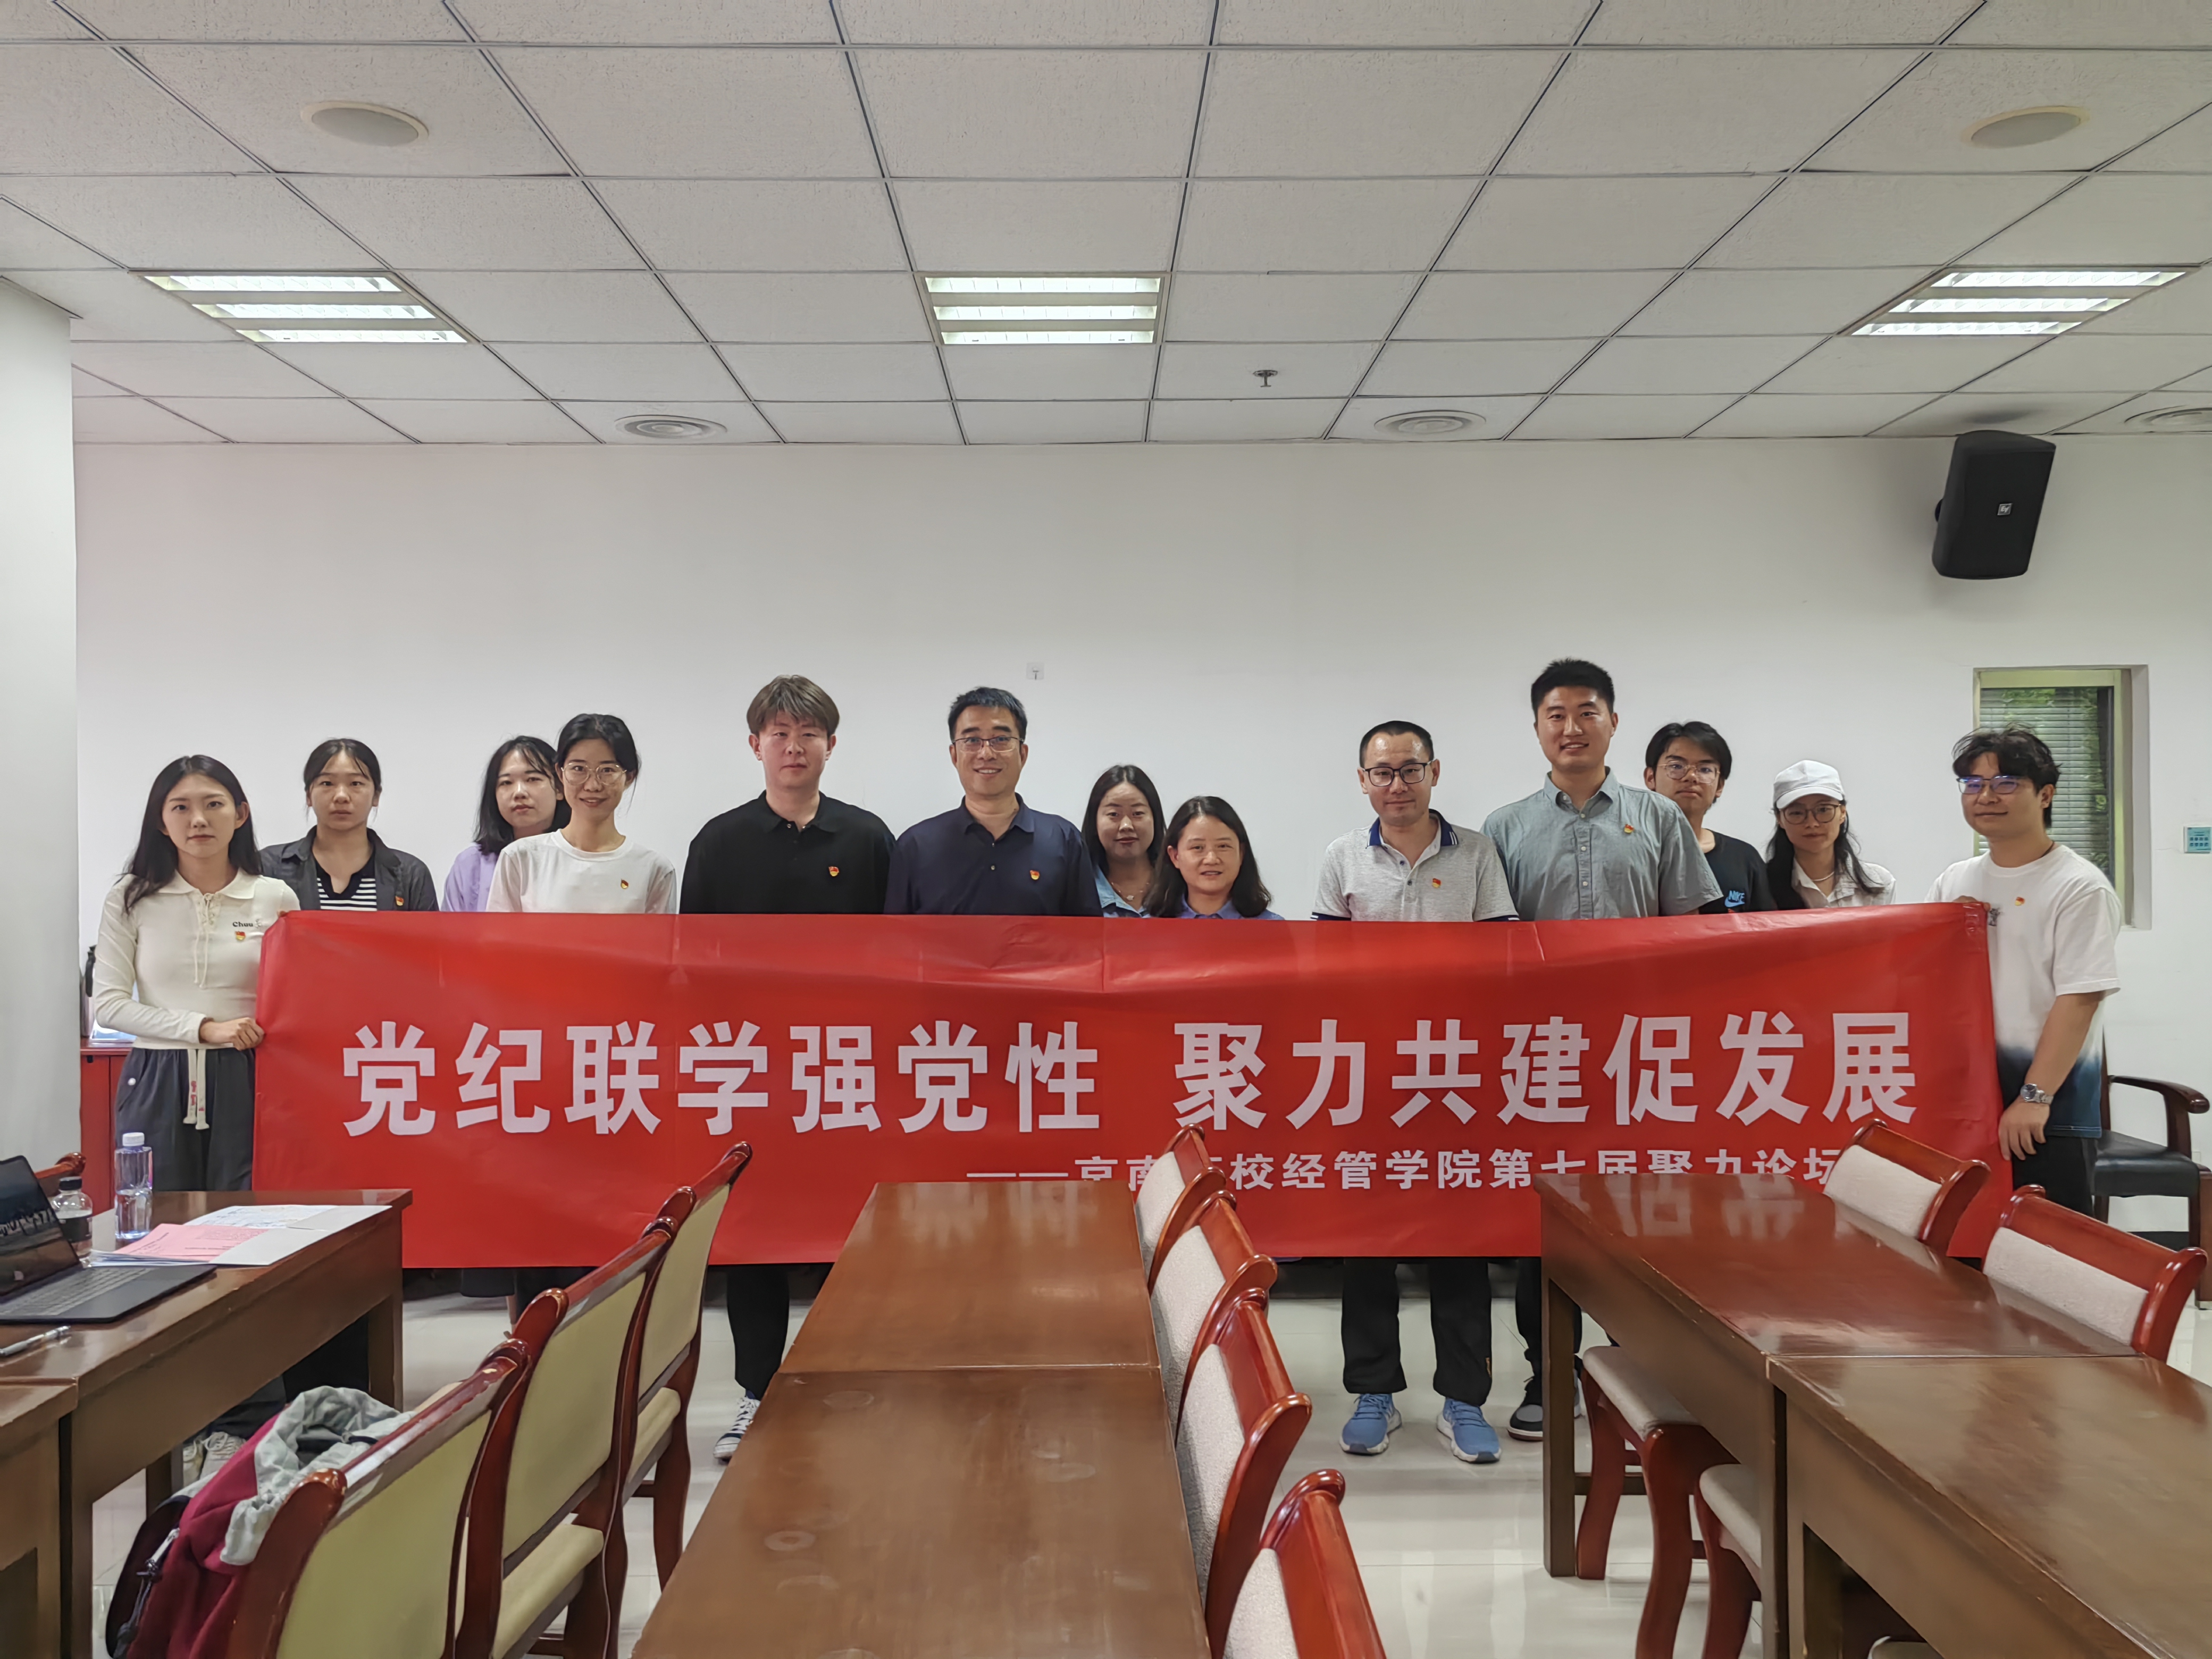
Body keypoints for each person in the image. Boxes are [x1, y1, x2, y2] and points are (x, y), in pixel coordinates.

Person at [1482, 660, 1719, 1444]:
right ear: (1537, 728)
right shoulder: (1505, 828)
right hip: (1542, 1056)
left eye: (1588, 712)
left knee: (1634, 1218)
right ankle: (1547, 1375)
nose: (1572, 727)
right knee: (1543, 1223)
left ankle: (1635, 1371)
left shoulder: (1658, 818)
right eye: (1556, 714)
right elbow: (1494, 951)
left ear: (1613, 723)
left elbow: (1694, 938)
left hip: (1637, 1055)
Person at [679, 675, 893, 1459]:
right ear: (755, 746)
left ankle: (845, 1379)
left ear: (831, 746)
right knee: (756, 1231)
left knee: (849, 1226)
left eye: (808, 735)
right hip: (753, 1070)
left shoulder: (869, 839)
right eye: (779, 734)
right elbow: (692, 961)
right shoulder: (719, 841)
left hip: (847, 1068)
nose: (793, 747)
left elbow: (897, 956)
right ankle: (756, 1393)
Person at [1316, 720, 1514, 1467]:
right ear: (1362, 780)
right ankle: (1374, 1393)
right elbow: (1324, 972)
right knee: (1367, 1245)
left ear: (1434, 773)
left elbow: (1501, 960)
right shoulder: (1342, 857)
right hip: (1368, 1078)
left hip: (1455, 1077)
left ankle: (1464, 1400)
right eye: (1382, 772)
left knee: (1459, 1244)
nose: (1396, 784)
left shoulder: (1478, 854)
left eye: (1410, 769)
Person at [94, 757, 299, 1475]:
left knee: (249, 1246)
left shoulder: (273, 896)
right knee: (161, 1247)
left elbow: (302, 992)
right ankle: (175, 1417)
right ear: (161, 820)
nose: (198, 819)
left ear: (241, 814)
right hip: (158, 1078)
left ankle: (247, 1420)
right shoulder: (132, 897)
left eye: (213, 804)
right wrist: (201, 1028)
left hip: (251, 1082)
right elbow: (108, 1003)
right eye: (180, 806)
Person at [1928, 727, 2119, 1214]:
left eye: (2006, 783)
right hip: (1967, 1100)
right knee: (1961, 1241)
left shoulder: (2079, 886)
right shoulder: (1955, 880)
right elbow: (1924, 977)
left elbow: (2080, 998)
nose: (1986, 797)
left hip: (2047, 1108)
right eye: (1973, 784)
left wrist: (2035, 1096)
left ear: (2046, 795)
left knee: (2044, 1244)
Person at [885, 688, 1102, 917]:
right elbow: (895, 936)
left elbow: (1086, 934)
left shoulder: (1064, 840)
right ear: (954, 755)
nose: (986, 753)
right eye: (972, 740)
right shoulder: (915, 846)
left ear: (1023, 754)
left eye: (1001, 739)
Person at [488, 713, 678, 914]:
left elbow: (659, 936)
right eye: (578, 768)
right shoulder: (520, 858)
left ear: (629, 777)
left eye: (607, 770)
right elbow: (499, 934)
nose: (592, 785)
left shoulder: (654, 870)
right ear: (560, 773)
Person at [262, 739, 439, 913]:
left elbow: (429, 933)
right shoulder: (270, 868)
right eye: (327, 783)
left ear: (376, 796)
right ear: (309, 795)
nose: (341, 796)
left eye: (356, 784)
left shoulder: (411, 875)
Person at [1643, 721, 1775, 913]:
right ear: (1651, 778)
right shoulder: (1629, 854)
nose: (1691, 777)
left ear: (1719, 786)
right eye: (1677, 766)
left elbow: (1765, 928)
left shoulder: (1744, 859)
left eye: (1705, 770)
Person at [443, 736, 567, 912]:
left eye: (532, 779)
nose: (519, 792)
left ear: (560, 788)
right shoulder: (470, 865)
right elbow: (451, 929)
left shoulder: (580, 857)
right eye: (506, 783)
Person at [1766, 760, 1895, 909]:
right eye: (1797, 813)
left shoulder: (1878, 883)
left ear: (1842, 813)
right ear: (1779, 819)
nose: (1812, 823)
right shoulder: (1760, 886)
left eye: (1823, 810)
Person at [1142, 797, 1281, 919]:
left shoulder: (1273, 929)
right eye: (1198, 848)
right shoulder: (1149, 930)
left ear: (1241, 853)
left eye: (1223, 846)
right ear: (1175, 856)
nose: (1212, 859)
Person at [1083, 764, 1164, 918]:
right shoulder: (1077, 889)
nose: (1126, 826)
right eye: (1114, 814)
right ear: (1094, 822)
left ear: (1155, 818)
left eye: (1138, 813)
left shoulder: (1178, 886)